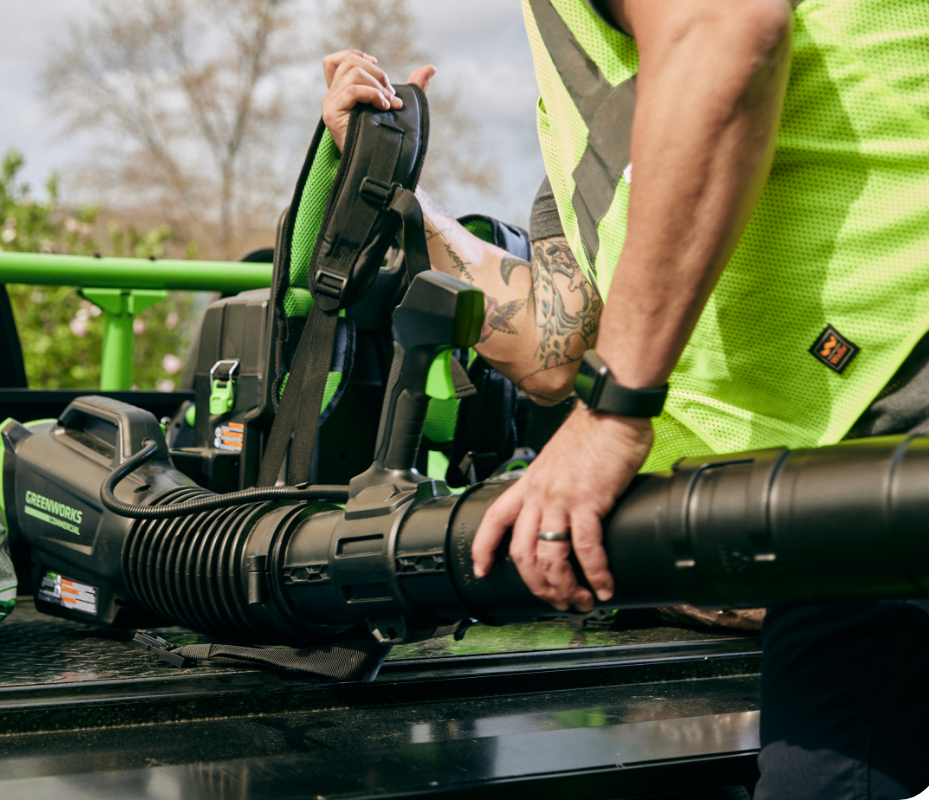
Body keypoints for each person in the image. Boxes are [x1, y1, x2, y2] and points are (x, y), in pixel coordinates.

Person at [320, 1, 929, 797]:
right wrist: (387, 181)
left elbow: (724, 26)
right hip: (792, 509)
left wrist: (612, 411)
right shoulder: (600, 107)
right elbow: (551, 343)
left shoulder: (683, 43)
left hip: (882, 451)